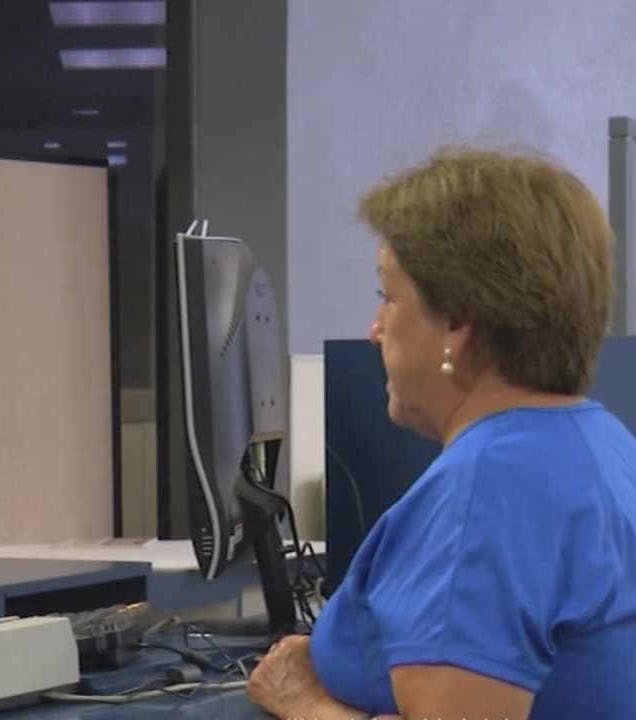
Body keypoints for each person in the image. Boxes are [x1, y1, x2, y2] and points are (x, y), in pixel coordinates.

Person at [246, 147, 636, 719]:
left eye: (388, 297)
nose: (375, 329)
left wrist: (301, 701)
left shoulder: (483, 496)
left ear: (456, 323)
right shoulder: (606, 446)